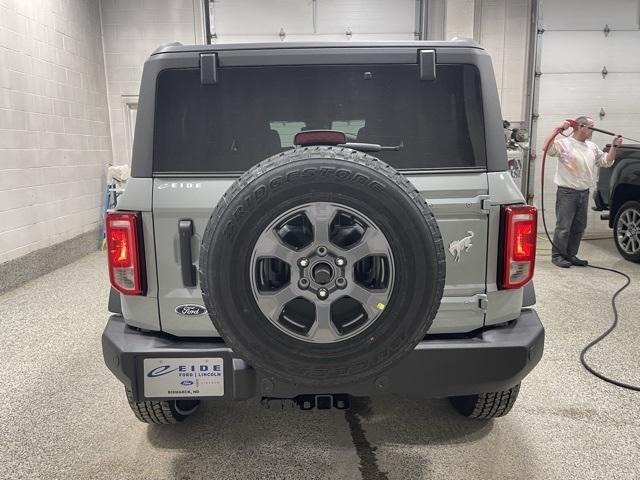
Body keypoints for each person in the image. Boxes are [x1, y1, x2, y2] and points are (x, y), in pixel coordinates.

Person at [542, 116, 623, 268]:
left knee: (579, 227)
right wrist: (558, 129)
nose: (593, 129)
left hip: (583, 192)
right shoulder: (564, 144)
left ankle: (571, 255)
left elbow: (606, 161)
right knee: (564, 227)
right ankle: (557, 256)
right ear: (580, 126)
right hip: (567, 192)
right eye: (591, 126)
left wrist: (614, 147)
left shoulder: (591, 147)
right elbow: (546, 147)